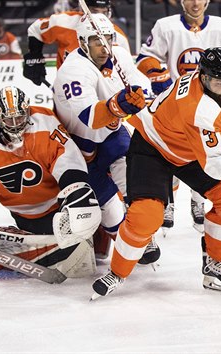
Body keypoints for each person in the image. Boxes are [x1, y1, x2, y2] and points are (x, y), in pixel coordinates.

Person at [90, 47, 221, 299]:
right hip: (153, 148)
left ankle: (213, 264)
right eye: (219, 83)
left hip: (189, 150)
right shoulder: (197, 108)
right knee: (147, 216)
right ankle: (117, 272)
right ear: (203, 77)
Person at [135, 0, 221, 238]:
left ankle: (198, 199)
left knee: (207, 157)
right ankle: (168, 200)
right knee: (173, 152)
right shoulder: (165, 26)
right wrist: (158, 75)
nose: (195, 2)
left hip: (212, 106)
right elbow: (145, 58)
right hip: (178, 106)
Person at [0, 86, 102, 279]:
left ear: (28, 110)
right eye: (9, 119)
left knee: (81, 251)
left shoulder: (45, 122)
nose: (15, 124)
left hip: (58, 210)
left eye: (20, 117)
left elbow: (67, 159)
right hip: (23, 215)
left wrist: (75, 193)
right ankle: (31, 242)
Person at [53, 13, 152, 261]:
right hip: (75, 145)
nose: (104, 47)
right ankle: (124, 246)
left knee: (134, 180)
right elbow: (90, 117)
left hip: (109, 134)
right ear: (82, 43)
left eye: (107, 39)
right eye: (97, 41)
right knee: (108, 203)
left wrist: (140, 92)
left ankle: (140, 235)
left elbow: (137, 79)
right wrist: (121, 106)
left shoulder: (116, 54)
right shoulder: (73, 70)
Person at [23, 0, 131, 86]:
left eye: (104, 12)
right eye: (94, 11)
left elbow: (127, 72)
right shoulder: (64, 22)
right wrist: (34, 57)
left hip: (102, 95)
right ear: (83, 9)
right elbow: (36, 29)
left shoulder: (119, 37)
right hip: (66, 91)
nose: (99, 17)